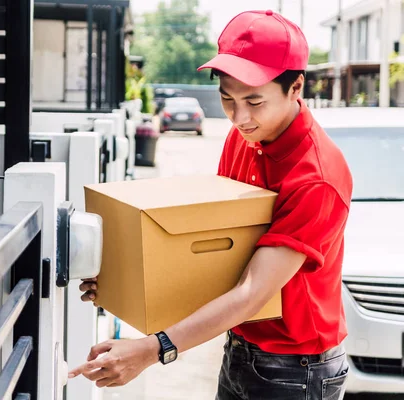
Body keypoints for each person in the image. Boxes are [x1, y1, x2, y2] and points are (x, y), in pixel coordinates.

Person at [69, 9, 353, 400]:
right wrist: (121, 280)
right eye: (227, 99)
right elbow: (217, 251)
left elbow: (253, 290)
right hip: (242, 347)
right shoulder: (245, 137)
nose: (239, 117)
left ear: (296, 87)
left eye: (254, 101)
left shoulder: (316, 177)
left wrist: (153, 349)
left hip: (295, 369)